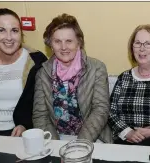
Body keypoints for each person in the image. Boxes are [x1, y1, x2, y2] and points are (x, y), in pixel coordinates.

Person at [33, 13, 112, 143]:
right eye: (57, 41)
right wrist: (55, 145)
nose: (63, 47)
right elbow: (40, 115)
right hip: (56, 138)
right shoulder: (42, 73)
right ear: (51, 45)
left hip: (92, 137)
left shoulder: (97, 67)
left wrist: (80, 144)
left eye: (69, 41)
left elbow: (101, 110)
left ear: (79, 43)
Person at [0, 8, 47, 136]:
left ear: (21, 34)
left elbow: (41, 105)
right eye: (1, 30)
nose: (9, 37)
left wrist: (26, 125)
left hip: (17, 133)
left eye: (14, 31)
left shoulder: (37, 61)